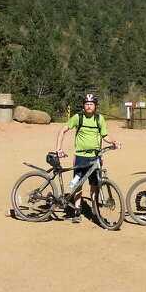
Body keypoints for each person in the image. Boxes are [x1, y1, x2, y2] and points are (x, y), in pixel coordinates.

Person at [55, 92, 120, 223]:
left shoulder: (99, 119)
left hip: (95, 157)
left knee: (95, 185)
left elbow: (105, 135)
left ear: (95, 106)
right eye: (87, 104)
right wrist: (58, 149)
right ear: (83, 105)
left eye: (91, 104)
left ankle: (95, 210)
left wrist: (113, 141)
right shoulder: (78, 117)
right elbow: (63, 130)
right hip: (80, 156)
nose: (89, 106)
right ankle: (77, 211)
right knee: (77, 185)